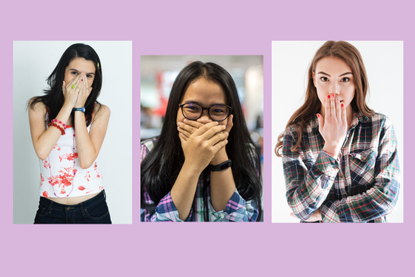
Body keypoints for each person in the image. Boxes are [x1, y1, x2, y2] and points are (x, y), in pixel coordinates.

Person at [275, 41, 400, 223]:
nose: (334, 91)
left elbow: (387, 198)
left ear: (357, 81)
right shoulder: (296, 135)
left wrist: (325, 214)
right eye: (324, 79)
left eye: (345, 79)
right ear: (314, 79)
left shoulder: (380, 127)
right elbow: (299, 206)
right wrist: (331, 149)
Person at [141, 61, 262, 222]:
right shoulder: (147, 151)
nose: (204, 120)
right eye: (192, 108)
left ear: (231, 116)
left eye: (217, 110)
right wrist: (193, 163)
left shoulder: (246, 152)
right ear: (174, 110)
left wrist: (219, 157)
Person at [29, 43, 111, 224]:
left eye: (88, 76)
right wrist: (68, 104)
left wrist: (79, 108)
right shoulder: (38, 106)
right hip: (49, 209)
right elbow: (42, 151)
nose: (81, 81)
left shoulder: (100, 112)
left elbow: (86, 160)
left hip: (92, 208)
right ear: (62, 74)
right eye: (74, 73)